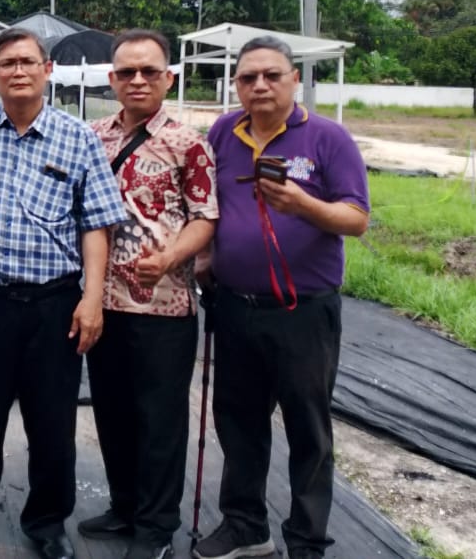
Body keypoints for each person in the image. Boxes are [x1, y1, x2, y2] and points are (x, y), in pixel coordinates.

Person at [0, 27, 128, 559]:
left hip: (54, 305)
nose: (18, 71)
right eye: (7, 64)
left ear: (47, 70)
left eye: (27, 62)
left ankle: (46, 523)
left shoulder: (77, 137)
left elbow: (96, 223)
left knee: (52, 420)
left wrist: (92, 297)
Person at [194, 35, 370, 559]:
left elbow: (356, 219)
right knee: (238, 421)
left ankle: (307, 541)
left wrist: (302, 205)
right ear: (236, 85)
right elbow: (210, 204)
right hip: (234, 306)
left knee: (307, 429)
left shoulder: (327, 138)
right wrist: (204, 255)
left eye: (272, 75)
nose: (260, 86)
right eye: (248, 77)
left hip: (304, 312)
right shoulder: (224, 132)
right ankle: (245, 527)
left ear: (295, 79)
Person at [80, 29, 218, 559]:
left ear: (169, 78)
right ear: (112, 79)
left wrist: (170, 258)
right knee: (112, 411)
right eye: (127, 72)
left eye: (149, 71)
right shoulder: (92, 137)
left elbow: (205, 217)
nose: (137, 80)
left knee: (160, 420)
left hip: (165, 307)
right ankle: (124, 506)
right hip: (103, 304)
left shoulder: (189, 144)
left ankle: (156, 527)